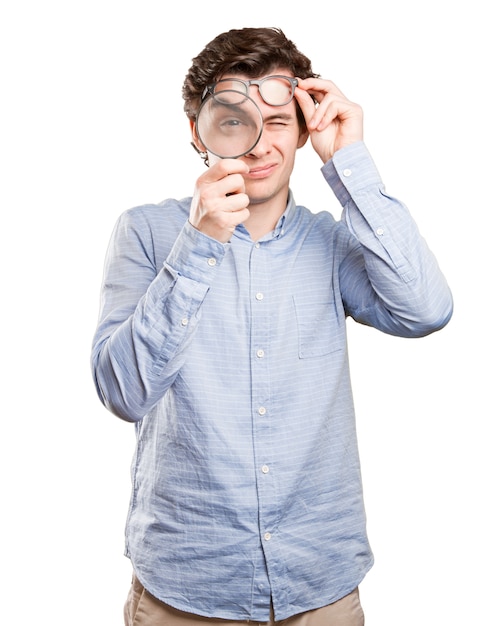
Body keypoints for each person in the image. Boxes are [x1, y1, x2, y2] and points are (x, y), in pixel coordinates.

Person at [91, 26, 453, 626]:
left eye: (278, 122)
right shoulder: (147, 234)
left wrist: (350, 165)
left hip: (321, 584)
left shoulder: (332, 243)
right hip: (186, 586)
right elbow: (122, 393)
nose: (260, 144)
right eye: (235, 121)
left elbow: (427, 309)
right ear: (198, 132)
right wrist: (200, 243)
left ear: (304, 131)